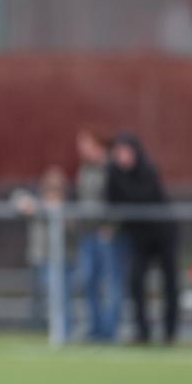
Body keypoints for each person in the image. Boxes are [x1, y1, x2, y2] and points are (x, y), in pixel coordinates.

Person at [107, 133, 179, 344]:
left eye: (126, 152)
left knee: (170, 283)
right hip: (139, 237)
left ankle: (169, 332)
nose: (122, 157)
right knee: (136, 282)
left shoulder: (148, 170)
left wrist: (122, 184)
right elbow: (111, 200)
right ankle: (143, 332)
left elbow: (143, 197)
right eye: (119, 152)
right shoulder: (114, 173)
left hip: (163, 234)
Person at [11, 166, 76, 339]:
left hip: (63, 259)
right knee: (50, 296)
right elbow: (17, 200)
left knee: (62, 297)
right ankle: (53, 329)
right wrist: (28, 204)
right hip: (43, 258)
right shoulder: (37, 202)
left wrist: (61, 215)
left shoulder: (68, 206)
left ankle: (64, 332)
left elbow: (75, 229)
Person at [75, 128, 126, 342]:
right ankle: (95, 328)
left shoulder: (112, 168)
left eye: (85, 144)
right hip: (88, 232)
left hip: (107, 234)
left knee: (112, 282)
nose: (81, 149)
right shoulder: (85, 169)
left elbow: (121, 198)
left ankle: (110, 330)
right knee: (89, 280)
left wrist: (111, 226)